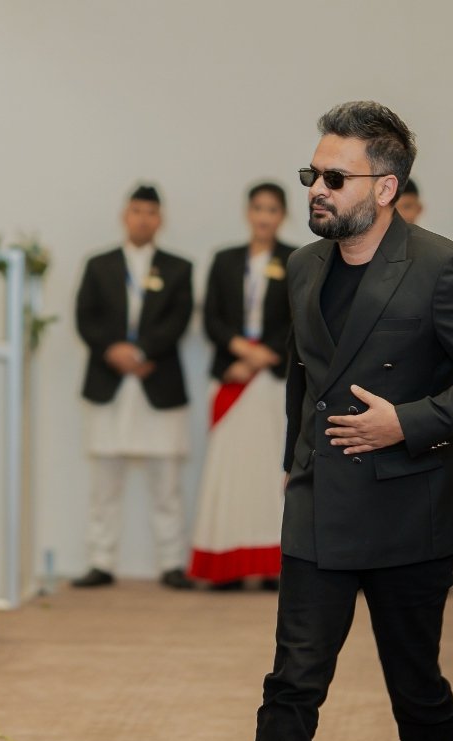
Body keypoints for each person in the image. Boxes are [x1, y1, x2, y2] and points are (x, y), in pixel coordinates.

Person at [250, 100, 453, 741]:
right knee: (291, 686)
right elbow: (303, 376)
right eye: (312, 175)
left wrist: (405, 422)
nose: (316, 190)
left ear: (384, 188)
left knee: (415, 690)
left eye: (334, 178)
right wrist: (294, 464)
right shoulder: (303, 266)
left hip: (410, 509)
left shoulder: (442, 267)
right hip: (319, 503)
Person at [72, 184, 195, 590]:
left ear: (160, 219)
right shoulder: (99, 264)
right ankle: (100, 561)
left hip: (157, 382)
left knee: (166, 484)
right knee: (104, 484)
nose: (143, 219)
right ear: (125, 216)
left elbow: (177, 320)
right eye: (137, 211)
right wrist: (115, 351)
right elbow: (85, 317)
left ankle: (171, 563)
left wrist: (142, 351)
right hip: (109, 381)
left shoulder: (178, 268)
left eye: (151, 212)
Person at [188, 182, 297, 591]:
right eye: (258, 208)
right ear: (247, 212)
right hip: (231, 374)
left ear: (282, 215)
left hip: (271, 378)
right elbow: (211, 317)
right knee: (229, 472)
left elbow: (299, 317)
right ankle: (226, 565)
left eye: (272, 209)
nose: (264, 216)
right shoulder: (225, 259)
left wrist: (265, 354)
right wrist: (240, 350)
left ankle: (272, 565)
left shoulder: (296, 259)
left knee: (269, 472)